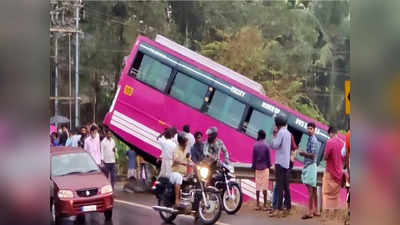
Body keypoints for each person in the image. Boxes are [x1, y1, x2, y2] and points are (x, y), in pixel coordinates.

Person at [269, 116, 292, 218]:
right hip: (286, 163)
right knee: (285, 186)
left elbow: (275, 145)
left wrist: (274, 136)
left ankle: (278, 209)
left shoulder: (281, 133)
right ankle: (288, 207)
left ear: (277, 123)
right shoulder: (288, 133)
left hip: (279, 163)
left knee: (279, 186)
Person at [322, 126, 344, 218]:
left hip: (330, 171)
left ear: (331, 133)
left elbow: (325, 157)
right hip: (339, 173)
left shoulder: (329, 142)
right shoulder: (343, 143)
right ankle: (334, 215)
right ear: (337, 132)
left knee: (326, 193)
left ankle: (326, 214)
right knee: (335, 194)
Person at [300, 122, 320, 219]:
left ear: (314, 129)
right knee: (314, 189)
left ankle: (310, 212)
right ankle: (316, 211)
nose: (309, 130)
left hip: (311, 165)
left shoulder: (314, 140)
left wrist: (304, 154)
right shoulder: (310, 139)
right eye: (308, 128)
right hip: (310, 165)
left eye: (311, 128)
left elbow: (313, 155)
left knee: (310, 190)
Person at [251, 130, 271, 211]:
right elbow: (269, 159)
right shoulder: (266, 145)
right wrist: (269, 166)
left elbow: (253, 159)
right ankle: (265, 205)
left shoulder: (255, 145)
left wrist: (254, 167)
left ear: (259, 135)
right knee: (265, 187)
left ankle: (257, 204)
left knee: (258, 187)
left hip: (257, 168)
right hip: (265, 168)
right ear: (264, 136)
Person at [169, 132, 190, 208]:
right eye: (186, 140)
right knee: (178, 177)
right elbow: (175, 159)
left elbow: (189, 160)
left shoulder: (186, 150)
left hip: (183, 173)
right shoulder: (176, 149)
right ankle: (177, 200)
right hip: (175, 172)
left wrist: (196, 165)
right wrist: (183, 162)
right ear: (182, 141)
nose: (187, 142)